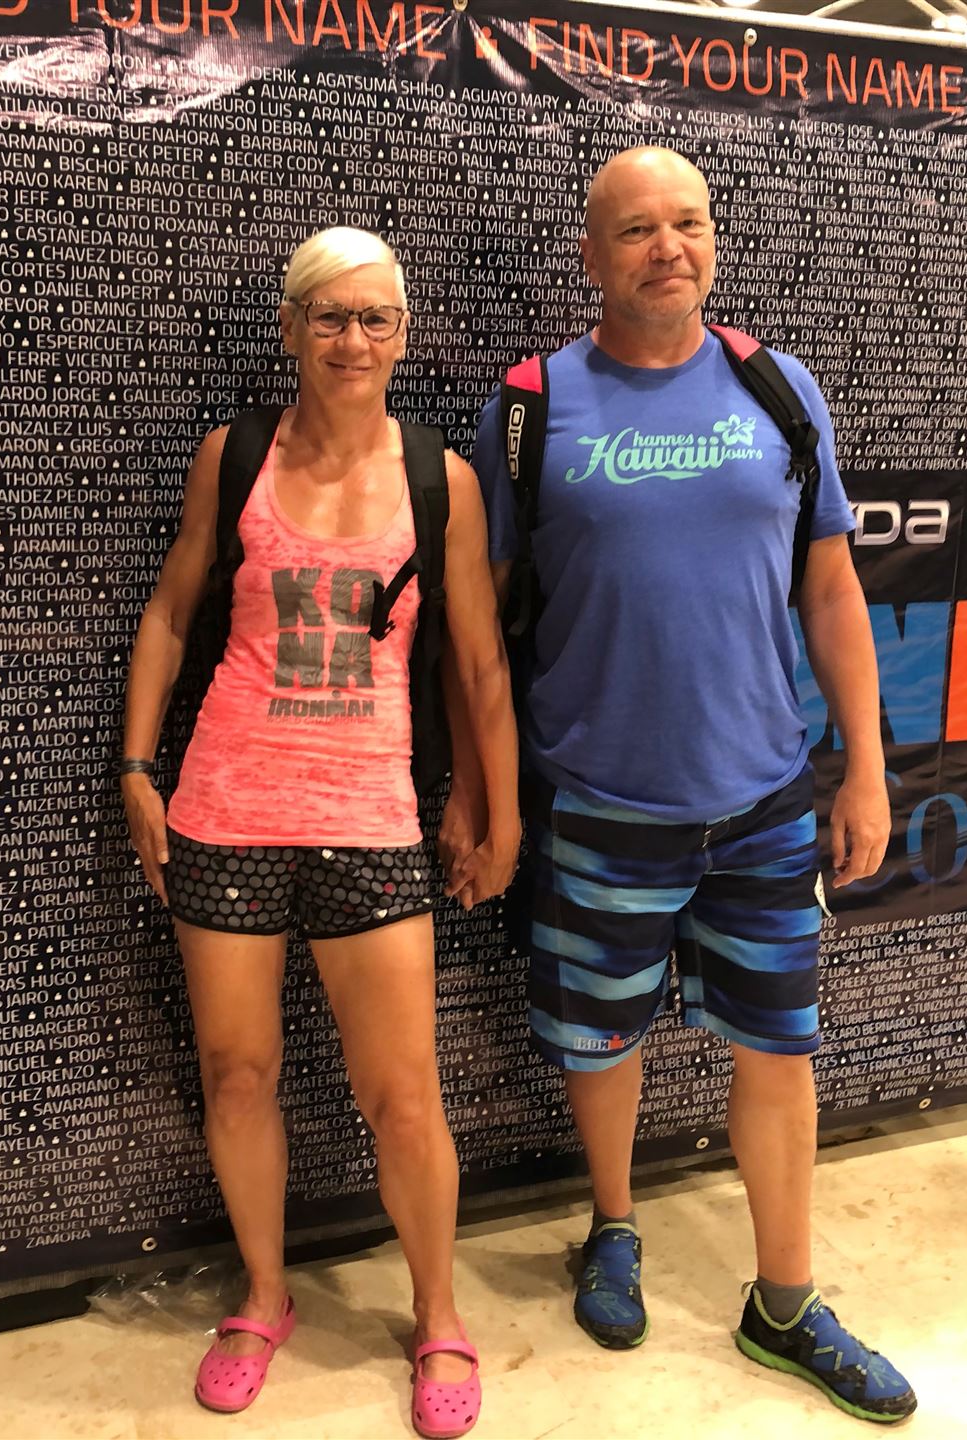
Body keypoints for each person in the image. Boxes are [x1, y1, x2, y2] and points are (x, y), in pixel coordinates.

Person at [454, 147, 918, 1424]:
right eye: (638, 229)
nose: (670, 247)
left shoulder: (779, 388)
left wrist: (867, 769)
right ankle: (612, 1226)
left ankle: (787, 1303)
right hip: (597, 799)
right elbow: (479, 627)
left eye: (690, 223)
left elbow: (833, 589)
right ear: (590, 257)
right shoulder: (531, 407)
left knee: (779, 1048)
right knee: (601, 1040)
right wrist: (483, 792)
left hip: (762, 798)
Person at [121, 225, 518, 1438]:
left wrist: (499, 812)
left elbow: (478, 664)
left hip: (372, 819)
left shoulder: (442, 478)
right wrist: (137, 766)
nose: (353, 339)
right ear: (293, 328)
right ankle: (262, 1296)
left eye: (375, 318)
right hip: (227, 813)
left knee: (403, 1095)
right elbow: (172, 610)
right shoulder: (235, 455)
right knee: (237, 1074)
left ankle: (437, 1313)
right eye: (331, 316)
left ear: (403, 334)